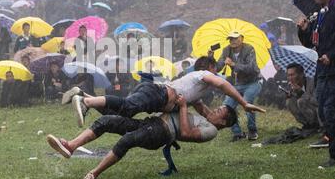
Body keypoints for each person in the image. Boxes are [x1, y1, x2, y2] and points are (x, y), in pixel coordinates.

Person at [47, 96, 238, 179]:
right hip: (153, 122)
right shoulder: (207, 117)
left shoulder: (211, 130)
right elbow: (198, 100)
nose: (214, 110)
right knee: (107, 121)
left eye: (219, 111)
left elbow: (187, 133)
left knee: (127, 140)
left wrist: (182, 107)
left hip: (161, 132)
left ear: (223, 121)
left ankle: (94, 173)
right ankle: (71, 146)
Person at [63, 56, 264, 127]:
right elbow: (223, 85)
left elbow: (202, 109)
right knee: (126, 107)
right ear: (209, 68)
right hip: (158, 93)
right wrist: (243, 103)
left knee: (119, 113)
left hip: (156, 93)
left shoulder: (197, 88)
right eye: (216, 68)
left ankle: (82, 95)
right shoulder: (204, 75)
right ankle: (86, 103)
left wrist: (217, 121)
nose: (218, 72)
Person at [297, 0, 335, 167]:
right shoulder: (321, 13)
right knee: (323, 108)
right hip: (323, 70)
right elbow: (312, 43)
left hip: (333, 68)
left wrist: (331, 54)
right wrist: (303, 30)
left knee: (330, 110)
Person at [210, 31, 262, 142]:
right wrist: (211, 58)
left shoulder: (249, 49)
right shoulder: (226, 50)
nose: (232, 41)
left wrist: (233, 65)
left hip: (253, 81)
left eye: (235, 38)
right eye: (230, 39)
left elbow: (251, 68)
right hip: (237, 84)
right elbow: (218, 68)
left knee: (247, 102)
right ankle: (237, 133)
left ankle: (252, 130)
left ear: (242, 38)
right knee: (227, 106)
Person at [285, 63, 321, 132]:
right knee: (289, 102)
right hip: (308, 115)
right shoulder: (292, 85)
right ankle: (307, 125)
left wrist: (302, 93)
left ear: (301, 74)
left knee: (301, 101)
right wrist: (290, 95)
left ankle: (317, 125)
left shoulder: (313, 83)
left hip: (318, 113)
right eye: (288, 75)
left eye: (292, 75)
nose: (290, 78)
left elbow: (317, 102)